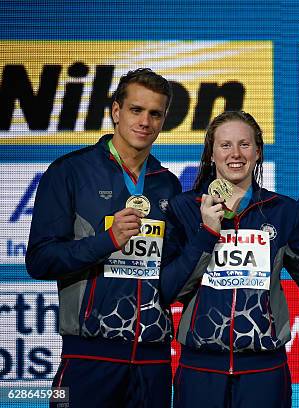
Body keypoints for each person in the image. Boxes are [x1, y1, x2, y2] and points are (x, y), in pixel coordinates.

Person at [26, 68, 181, 408]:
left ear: (164, 119)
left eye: (155, 113)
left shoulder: (166, 184)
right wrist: (108, 240)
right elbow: (40, 259)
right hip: (88, 357)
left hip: (153, 359)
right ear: (115, 112)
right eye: (136, 110)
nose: (145, 121)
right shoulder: (70, 171)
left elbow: (170, 270)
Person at [160, 110, 299, 408]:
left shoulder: (282, 211)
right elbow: (168, 290)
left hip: (264, 369)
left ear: (258, 152)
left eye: (244, 144)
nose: (235, 154)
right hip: (200, 367)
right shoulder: (184, 208)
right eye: (225, 145)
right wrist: (206, 233)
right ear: (212, 153)